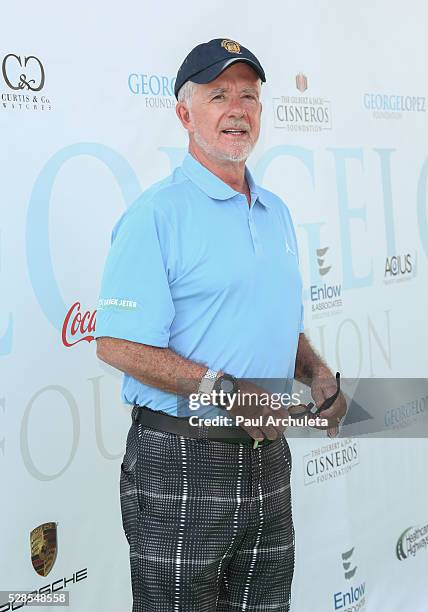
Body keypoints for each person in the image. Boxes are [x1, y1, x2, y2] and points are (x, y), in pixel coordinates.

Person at [95, 38, 346, 612]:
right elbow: (115, 344)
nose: (237, 109)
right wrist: (225, 390)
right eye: (218, 95)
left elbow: (280, 324)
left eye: (249, 96)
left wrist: (317, 373)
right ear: (185, 114)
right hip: (182, 462)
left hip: (269, 459)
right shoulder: (156, 215)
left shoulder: (276, 211)